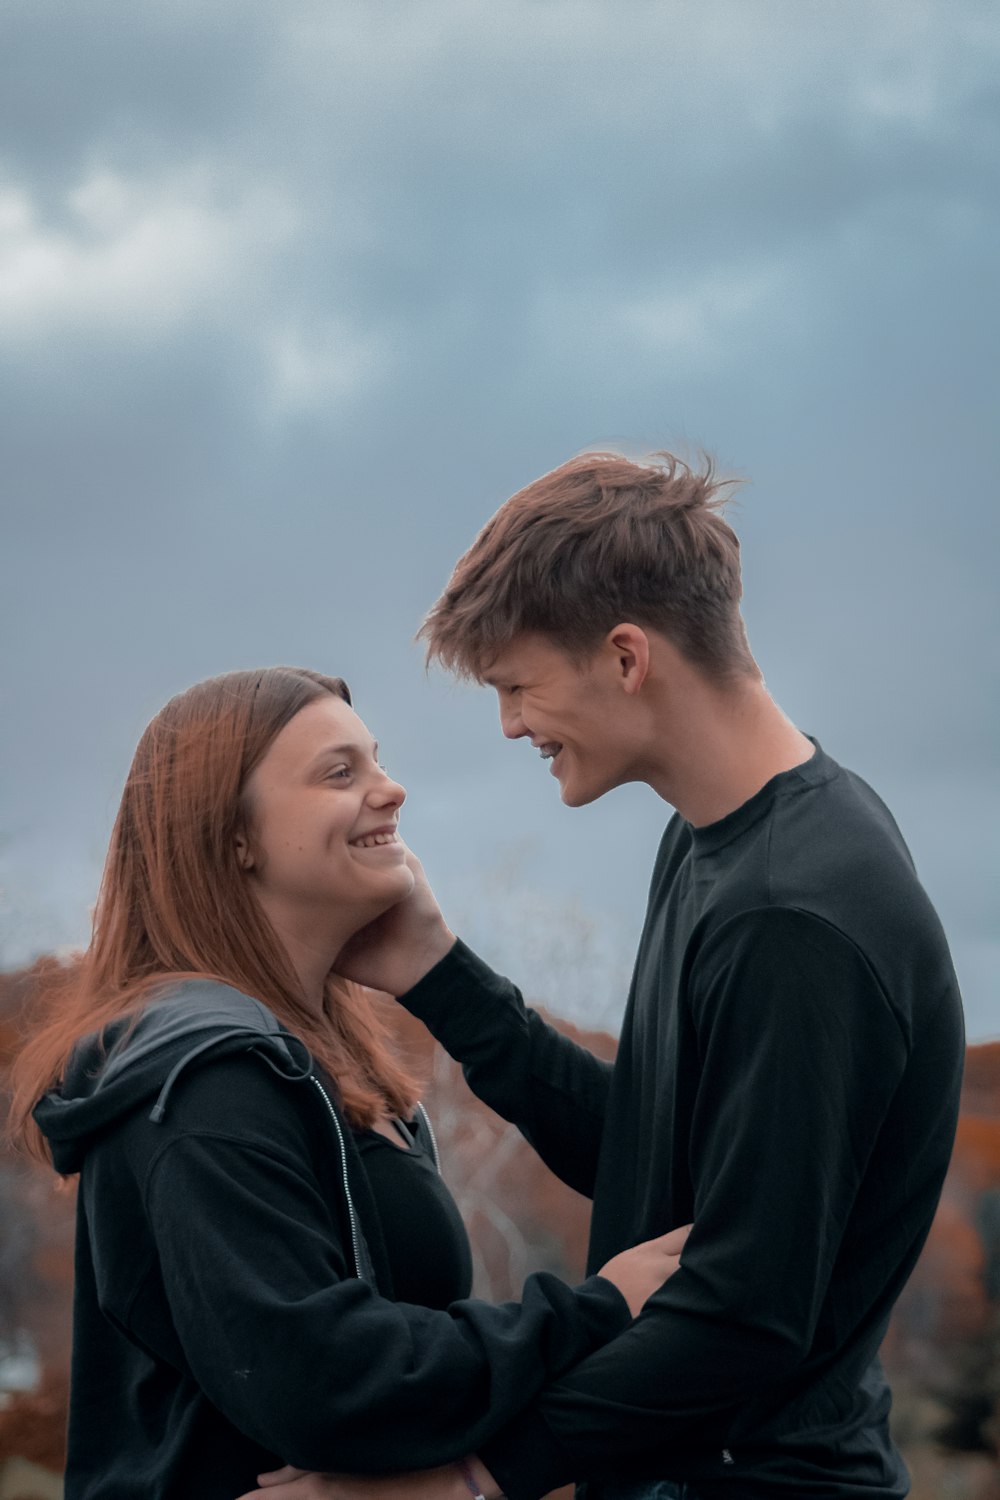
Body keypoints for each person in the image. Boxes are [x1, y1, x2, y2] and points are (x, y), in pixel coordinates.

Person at [262, 453, 965, 1500]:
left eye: (515, 684)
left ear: (626, 657)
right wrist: (437, 973)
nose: (508, 725)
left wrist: (466, 1480)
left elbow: (742, 1312)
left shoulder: (795, 912)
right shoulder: (718, 842)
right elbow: (653, 1158)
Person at [8, 666, 688, 1500]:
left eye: (377, 761)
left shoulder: (314, 1055)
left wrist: (442, 972)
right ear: (232, 837)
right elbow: (325, 1378)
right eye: (341, 772)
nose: (391, 789)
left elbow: (656, 1156)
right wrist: (599, 1310)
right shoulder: (205, 1080)